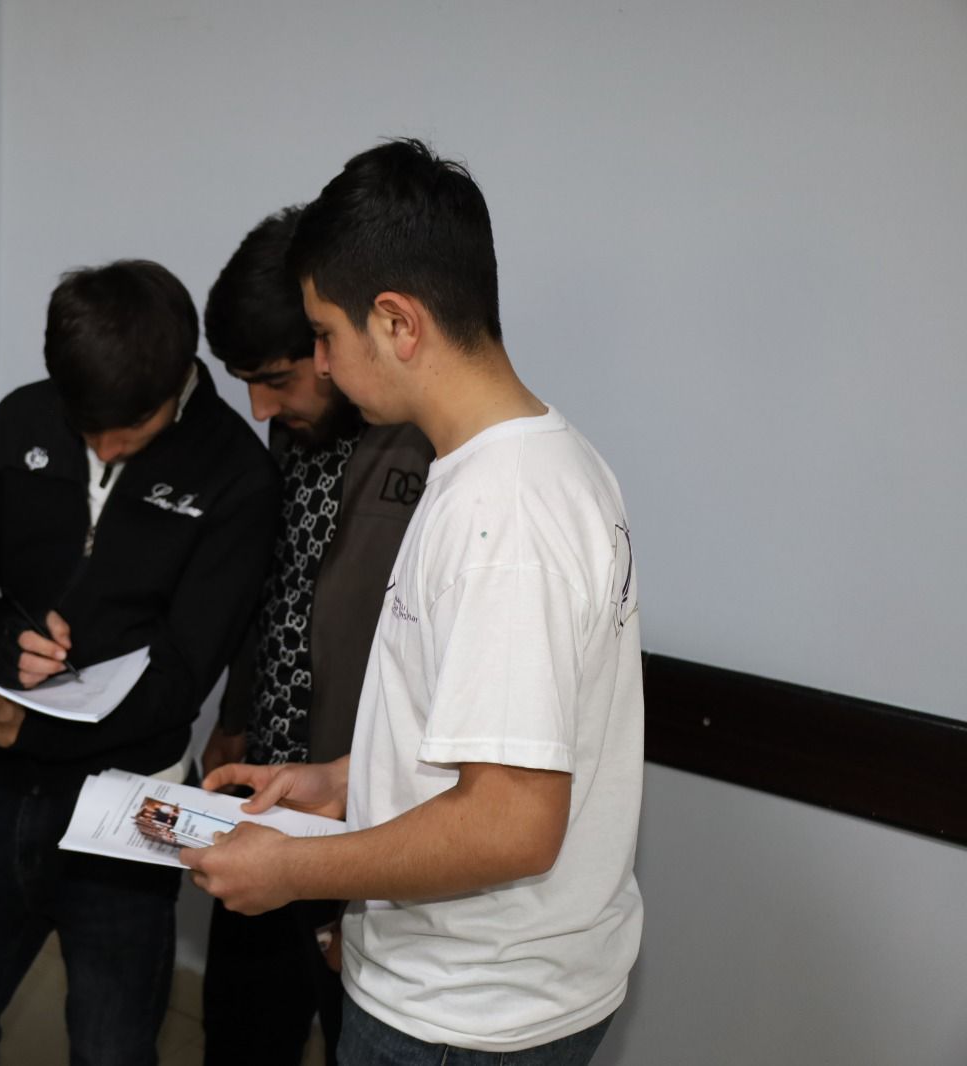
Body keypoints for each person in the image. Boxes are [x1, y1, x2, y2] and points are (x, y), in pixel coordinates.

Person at [182, 140, 644, 1065]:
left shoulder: (502, 516)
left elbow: (510, 823)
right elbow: (484, 742)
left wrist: (294, 868)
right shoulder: (523, 464)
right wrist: (343, 781)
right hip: (474, 990)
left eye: (325, 334)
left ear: (397, 322)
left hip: (462, 1015)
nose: (319, 363)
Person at [0, 259, 280, 1065]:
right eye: (86, 425)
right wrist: (5, 639)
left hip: (134, 800)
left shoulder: (237, 475)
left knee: (112, 1048)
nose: (104, 446)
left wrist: (25, 729)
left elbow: (183, 675)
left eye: (128, 429)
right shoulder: (22, 419)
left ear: (179, 380)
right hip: (4, 785)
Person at [197, 206, 434, 1066]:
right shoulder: (290, 429)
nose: (260, 407)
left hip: (366, 818)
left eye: (276, 377)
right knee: (240, 1034)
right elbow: (276, 590)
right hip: (267, 794)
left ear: (332, 341)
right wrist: (236, 716)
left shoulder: (432, 446)